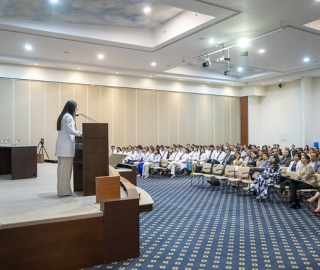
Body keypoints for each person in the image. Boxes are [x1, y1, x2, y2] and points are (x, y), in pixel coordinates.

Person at [55, 100, 82, 197]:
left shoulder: (63, 116)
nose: (76, 110)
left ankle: (62, 190)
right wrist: (82, 133)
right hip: (66, 148)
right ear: (72, 108)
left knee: (62, 171)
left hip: (62, 148)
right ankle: (64, 191)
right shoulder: (69, 117)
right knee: (65, 172)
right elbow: (70, 130)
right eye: (76, 108)